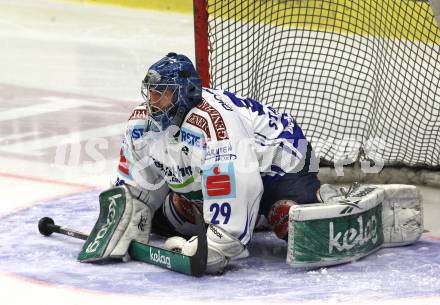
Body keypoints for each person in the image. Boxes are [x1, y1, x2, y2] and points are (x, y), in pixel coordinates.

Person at [78, 52, 339, 272]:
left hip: (279, 158)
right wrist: (124, 218)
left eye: (163, 94)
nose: (153, 103)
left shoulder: (214, 123)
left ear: (185, 94)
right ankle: (258, 215)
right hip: (230, 169)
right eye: (152, 93)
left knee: (290, 220)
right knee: (169, 216)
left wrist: (220, 244)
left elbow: (240, 183)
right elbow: (137, 184)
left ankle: (325, 200)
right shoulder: (141, 123)